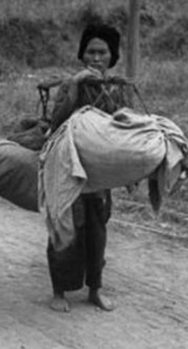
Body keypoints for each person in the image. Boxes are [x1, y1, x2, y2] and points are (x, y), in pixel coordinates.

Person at [47, 23, 133, 313]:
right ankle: (59, 291)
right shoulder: (70, 84)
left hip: (99, 173)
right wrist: (74, 86)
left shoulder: (118, 89)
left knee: (97, 231)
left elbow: (124, 129)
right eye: (91, 52)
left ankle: (95, 289)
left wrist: (129, 171)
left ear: (112, 56)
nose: (96, 58)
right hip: (68, 168)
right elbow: (56, 122)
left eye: (102, 53)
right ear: (82, 55)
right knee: (65, 229)